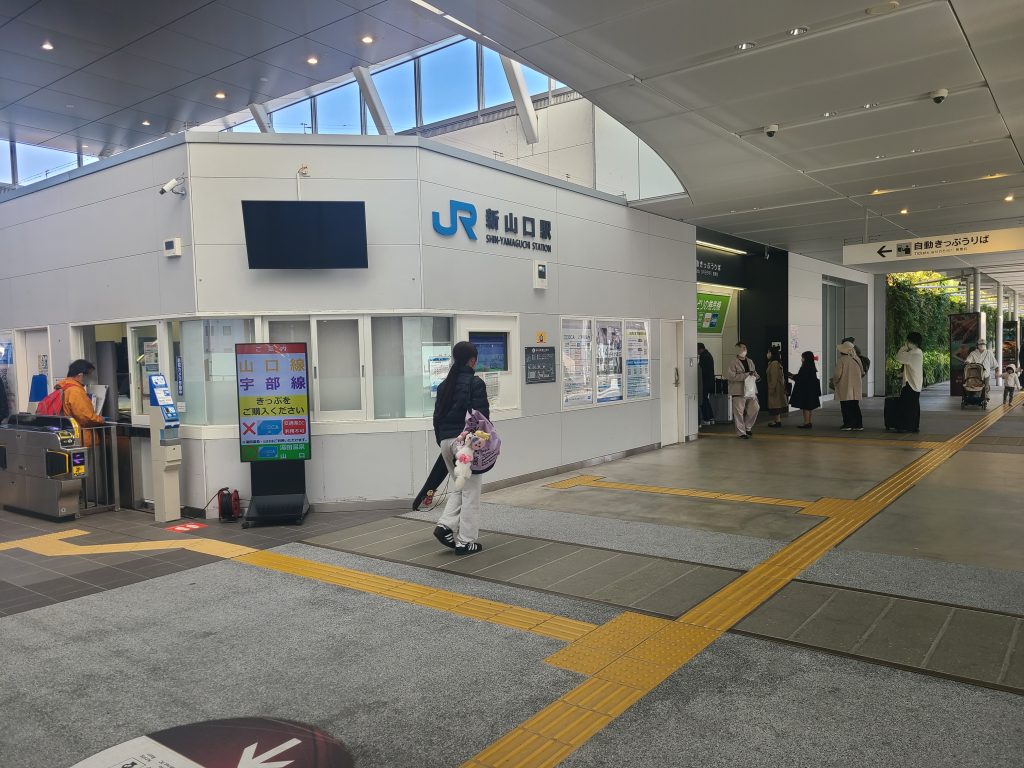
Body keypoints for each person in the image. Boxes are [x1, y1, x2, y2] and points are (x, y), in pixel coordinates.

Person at [432, 341, 490, 554]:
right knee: (471, 493)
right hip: (465, 446)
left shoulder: (444, 385)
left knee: (460, 485)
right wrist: (476, 444)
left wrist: (443, 442)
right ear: (472, 360)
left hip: (446, 443)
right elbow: (482, 418)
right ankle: (466, 541)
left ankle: (445, 526)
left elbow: (437, 418)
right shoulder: (475, 383)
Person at [58, 359, 105, 444]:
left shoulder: (65, 387)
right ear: (80, 375)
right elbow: (85, 417)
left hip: (71, 435)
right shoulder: (75, 391)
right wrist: (100, 419)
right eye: (89, 375)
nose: (91, 378)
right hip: (82, 438)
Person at [727, 341, 759, 439]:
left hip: (750, 390)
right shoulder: (733, 362)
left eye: (745, 347)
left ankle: (747, 427)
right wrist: (746, 375)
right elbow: (731, 377)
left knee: (755, 408)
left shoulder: (750, 361)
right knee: (739, 412)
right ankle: (741, 432)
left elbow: (754, 372)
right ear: (737, 349)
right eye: (742, 347)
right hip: (738, 391)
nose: (745, 349)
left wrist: (756, 376)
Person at [894, 332, 924, 432]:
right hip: (915, 382)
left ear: (911, 341)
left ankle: (906, 426)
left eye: (908, 341)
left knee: (907, 405)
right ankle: (914, 426)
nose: (906, 342)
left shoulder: (914, 353)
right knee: (913, 405)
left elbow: (898, 357)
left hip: (911, 383)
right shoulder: (918, 352)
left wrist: (904, 347)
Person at [832, 341, 864, 431]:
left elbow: (837, 374)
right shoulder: (857, 359)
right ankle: (858, 424)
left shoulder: (842, 360)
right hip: (856, 386)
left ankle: (848, 424)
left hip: (845, 386)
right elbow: (862, 372)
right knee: (855, 405)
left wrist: (834, 381)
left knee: (845, 405)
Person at [787, 351, 820, 428]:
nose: (801, 359)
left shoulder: (805, 367)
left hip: (805, 391)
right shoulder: (812, 366)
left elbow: (801, 378)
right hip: (811, 390)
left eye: (803, 357)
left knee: (805, 407)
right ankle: (809, 422)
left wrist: (792, 376)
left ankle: (806, 423)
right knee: (809, 407)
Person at [765, 348, 787, 427]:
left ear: (772, 353)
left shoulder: (774, 363)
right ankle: (776, 421)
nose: (767, 354)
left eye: (769, 352)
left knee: (775, 405)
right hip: (777, 387)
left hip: (775, 388)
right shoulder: (775, 363)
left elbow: (774, 377)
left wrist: (771, 388)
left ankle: (777, 421)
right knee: (775, 404)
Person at [697, 343, 715, 426]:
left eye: (697, 350)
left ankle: (706, 419)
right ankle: (711, 417)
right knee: (705, 399)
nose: (697, 352)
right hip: (709, 381)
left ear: (700, 349)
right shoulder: (708, 355)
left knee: (703, 400)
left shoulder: (704, 356)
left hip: (704, 382)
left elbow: (702, 369)